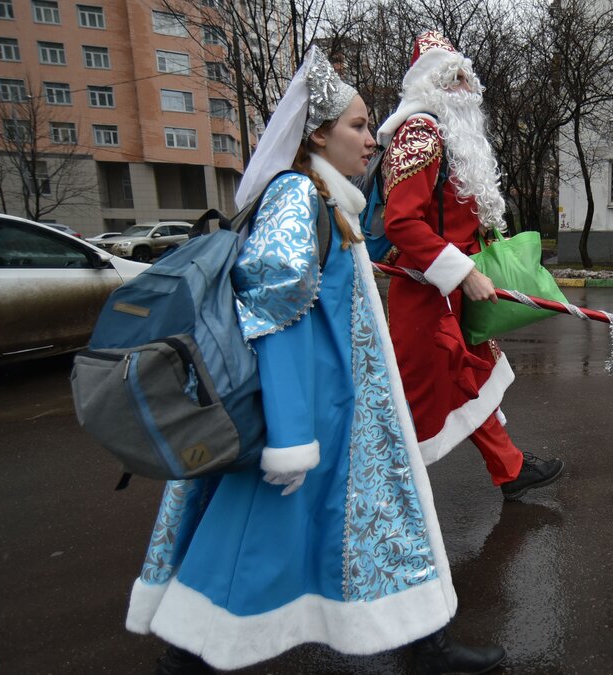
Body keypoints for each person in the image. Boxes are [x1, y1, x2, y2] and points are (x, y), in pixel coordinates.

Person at [123, 46, 505, 675]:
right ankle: (188, 657)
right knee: (256, 537)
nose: (370, 139)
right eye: (357, 125)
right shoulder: (298, 197)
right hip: (313, 422)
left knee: (380, 524)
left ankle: (424, 643)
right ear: (318, 133)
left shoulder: (328, 201)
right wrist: (292, 438)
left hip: (344, 413)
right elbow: (275, 321)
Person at [378, 31, 564, 501]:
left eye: (467, 77)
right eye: (453, 78)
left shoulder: (449, 134)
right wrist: (462, 271)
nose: (466, 88)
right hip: (427, 293)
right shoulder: (421, 132)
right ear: (429, 85)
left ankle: (511, 468)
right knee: (418, 399)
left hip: (451, 292)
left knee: (471, 376)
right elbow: (401, 221)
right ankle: (385, 500)